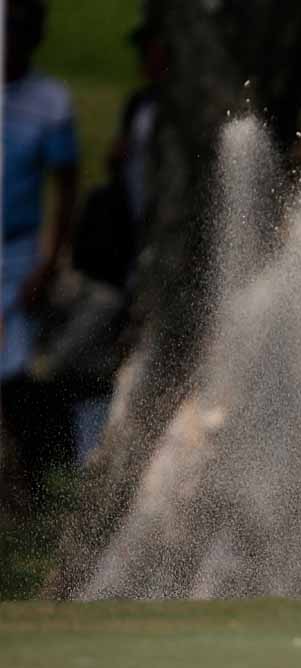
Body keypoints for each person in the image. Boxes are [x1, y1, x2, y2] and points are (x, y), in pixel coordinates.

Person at [2, 0, 80, 503]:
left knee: (13, 371)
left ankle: (22, 482)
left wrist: (49, 260)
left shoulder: (50, 101)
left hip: (18, 252)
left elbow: (66, 186)